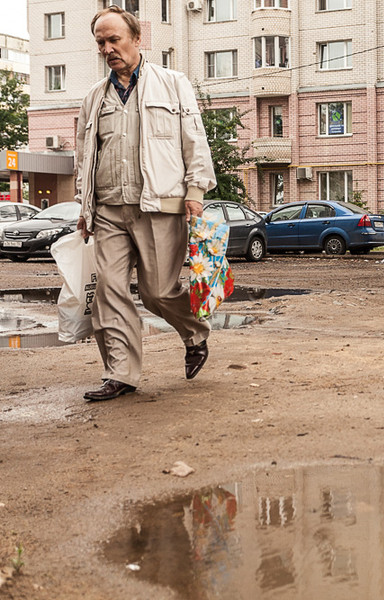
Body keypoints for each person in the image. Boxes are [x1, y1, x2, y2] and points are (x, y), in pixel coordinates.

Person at [75, 5, 217, 401]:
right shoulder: (94, 97)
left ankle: (194, 333)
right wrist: (83, 208)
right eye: (100, 42)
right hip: (108, 211)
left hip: (158, 205)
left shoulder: (172, 84)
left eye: (114, 39)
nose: (107, 48)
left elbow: (195, 140)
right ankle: (120, 373)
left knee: (158, 291)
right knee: (110, 289)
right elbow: (85, 157)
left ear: (137, 40)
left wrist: (195, 193)